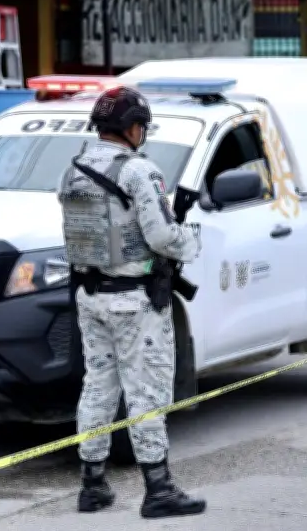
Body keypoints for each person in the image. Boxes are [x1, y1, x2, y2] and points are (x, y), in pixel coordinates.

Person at [57, 85, 205, 519]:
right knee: (148, 392)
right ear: (131, 127)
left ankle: (93, 484)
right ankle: (158, 490)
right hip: (133, 302)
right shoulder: (140, 171)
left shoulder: (74, 169)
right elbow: (160, 235)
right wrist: (189, 241)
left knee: (98, 387)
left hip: (89, 295)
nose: (145, 134)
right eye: (143, 126)